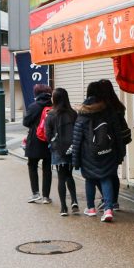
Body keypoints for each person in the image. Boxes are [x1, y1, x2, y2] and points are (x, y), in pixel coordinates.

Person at [67, 79, 131, 222]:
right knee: (107, 177)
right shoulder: (110, 111)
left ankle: (91, 208)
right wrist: (120, 153)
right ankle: (109, 207)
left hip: (88, 154)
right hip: (109, 151)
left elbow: (77, 140)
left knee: (90, 179)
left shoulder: (82, 115)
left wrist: (75, 161)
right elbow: (117, 135)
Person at [44, 87, 79, 217]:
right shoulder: (73, 113)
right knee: (69, 175)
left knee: (61, 177)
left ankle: (64, 207)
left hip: (58, 149)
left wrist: (53, 143)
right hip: (71, 148)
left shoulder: (51, 114)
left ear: (55, 99)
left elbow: (47, 134)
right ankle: (74, 201)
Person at [21, 84, 53, 204]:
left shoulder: (34, 106)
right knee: (47, 168)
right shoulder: (53, 105)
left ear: (36, 93)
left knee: (32, 165)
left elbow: (26, 122)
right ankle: (46, 196)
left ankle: (35, 194)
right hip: (49, 141)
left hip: (35, 140)